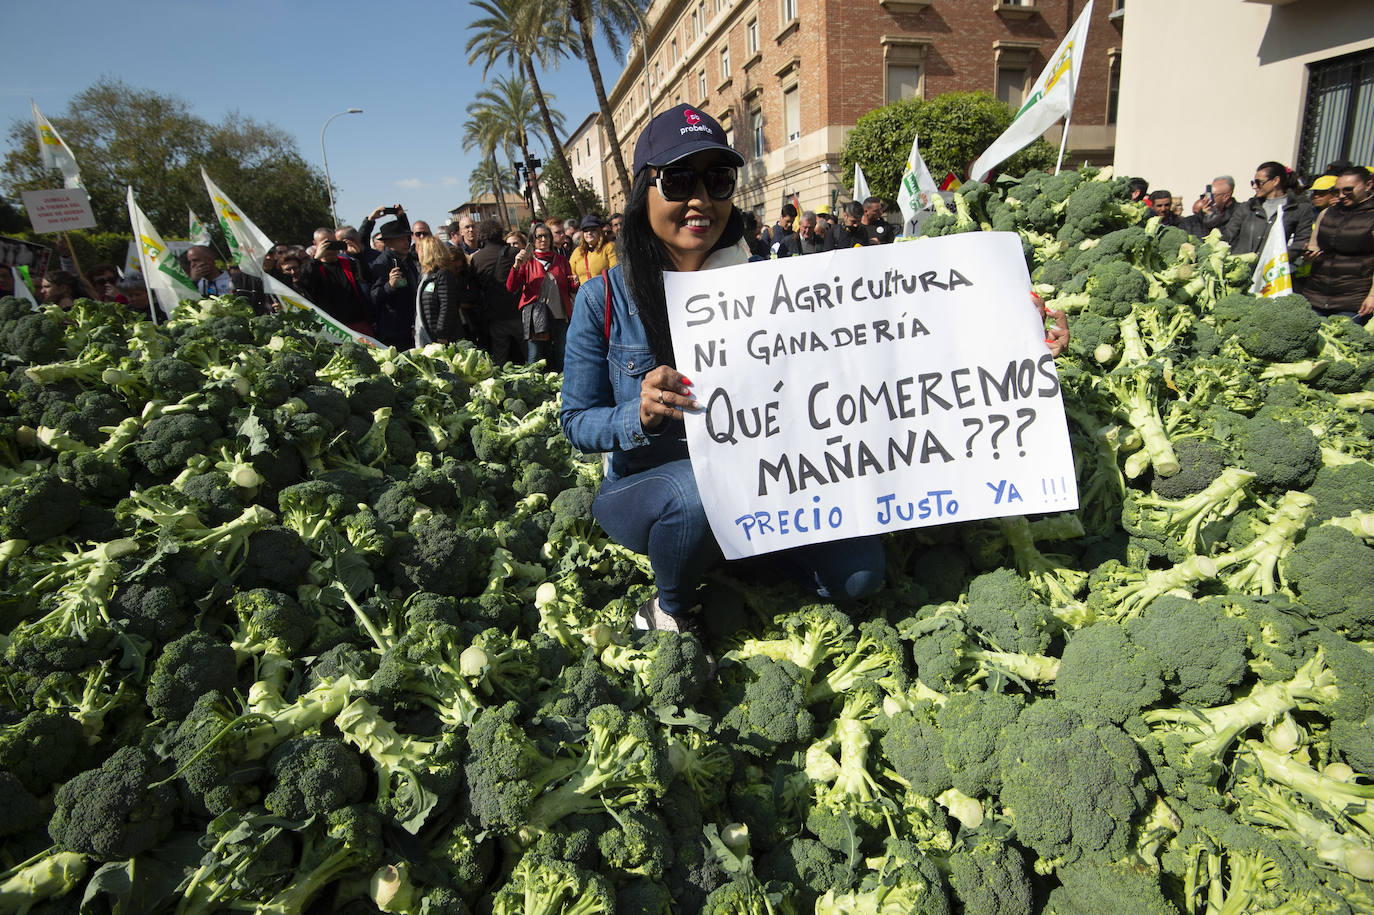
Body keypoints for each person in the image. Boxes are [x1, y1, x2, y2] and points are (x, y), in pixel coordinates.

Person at [559, 107, 884, 644]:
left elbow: (872, 348)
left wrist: (1008, 327)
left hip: (765, 481)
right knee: (696, 493)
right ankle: (671, 607)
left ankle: (733, 554)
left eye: (718, 180)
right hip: (650, 487)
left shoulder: (769, 282)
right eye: (680, 179)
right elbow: (575, 421)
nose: (700, 200)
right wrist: (637, 414)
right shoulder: (604, 299)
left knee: (861, 574)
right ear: (645, 191)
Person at [1303, 166, 1374, 321]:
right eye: (1337, 191)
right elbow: (1314, 245)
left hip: (1352, 300)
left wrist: (1372, 296)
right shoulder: (1327, 213)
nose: (1341, 196)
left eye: (1348, 190)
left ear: (1368, 185)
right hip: (1316, 295)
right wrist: (1310, 254)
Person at [507, 222, 576, 370]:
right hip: (536, 315)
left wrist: (575, 283)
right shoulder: (527, 261)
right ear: (532, 240)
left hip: (560, 313)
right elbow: (511, 287)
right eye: (539, 236)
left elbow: (571, 287)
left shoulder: (562, 261)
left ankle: (563, 386)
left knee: (562, 353)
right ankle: (534, 386)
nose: (543, 239)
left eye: (546, 236)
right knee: (535, 355)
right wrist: (516, 266)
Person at [1223, 161, 1315, 263]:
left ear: (1275, 181)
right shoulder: (1247, 207)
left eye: (1259, 182)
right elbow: (1229, 234)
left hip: (1272, 272)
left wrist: (1278, 261)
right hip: (1241, 270)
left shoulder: (1298, 209)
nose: (1254, 186)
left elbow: (1301, 241)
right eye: (1253, 183)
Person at [470, 220, 525, 365]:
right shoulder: (514, 253)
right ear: (500, 233)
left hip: (495, 316)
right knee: (528, 355)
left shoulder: (476, 259)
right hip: (517, 312)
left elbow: (475, 290)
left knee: (500, 358)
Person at [414, 235, 478, 345]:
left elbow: (447, 306)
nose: (417, 253)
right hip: (429, 334)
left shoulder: (442, 275)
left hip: (443, 338)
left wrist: (441, 334)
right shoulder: (426, 276)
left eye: (419, 250)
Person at [370, 220, 420, 348]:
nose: (406, 242)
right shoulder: (381, 263)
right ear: (388, 242)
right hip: (394, 331)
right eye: (400, 239)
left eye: (407, 239)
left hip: (410, 326)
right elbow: (374, 297)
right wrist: (390, 286)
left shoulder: (406, 259)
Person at [185, 245, 268, 313]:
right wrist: (193, 282)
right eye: (190, 262)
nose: (192, 265)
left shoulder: (235, 279)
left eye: (195, 260)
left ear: (210, 259)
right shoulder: (195, 285)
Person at [570, 214, 619, 284]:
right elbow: (571, 273)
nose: (589, 233)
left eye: (593, 230)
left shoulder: (609, 247)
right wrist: (574, 277)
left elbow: (615, 273)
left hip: (604, 291)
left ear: (599, 232)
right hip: (584, 292)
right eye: (586, 231)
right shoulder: (578, 251)